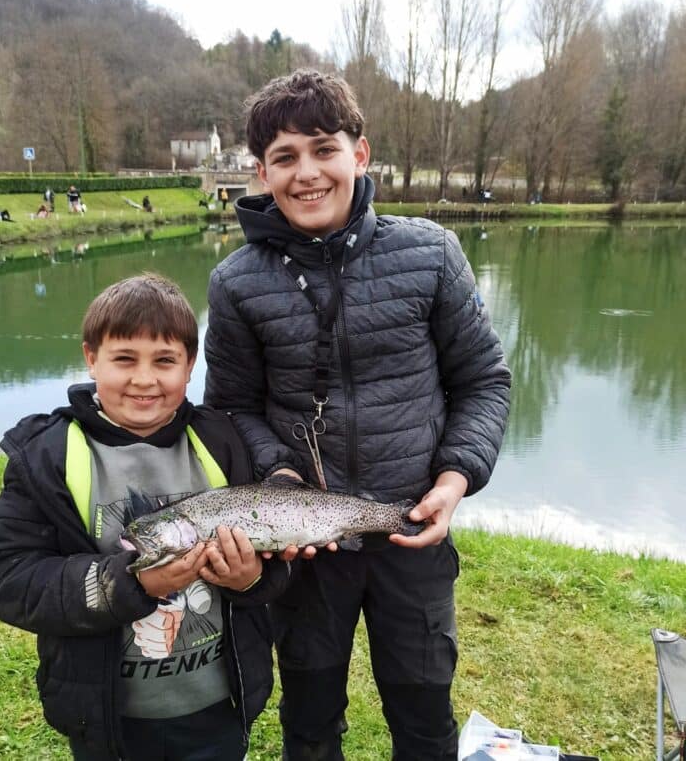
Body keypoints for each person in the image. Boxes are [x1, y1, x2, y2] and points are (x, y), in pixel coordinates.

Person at [204, 69, 511, 760]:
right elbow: (230, 408)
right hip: (304, 550)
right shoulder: (235, 283)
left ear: (360, 155)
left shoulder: (432, 253)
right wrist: (277, 472)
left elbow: (484, 381)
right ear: (261, 172)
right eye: (284, 158)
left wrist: (456, 477)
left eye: (323, 149)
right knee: (310, 720)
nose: (306, 172)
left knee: (425, 715)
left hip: (413, 535)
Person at [0, 273, 289, 760]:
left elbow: (272, 566)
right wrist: (129, 585)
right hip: (106, 720)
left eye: (165, 361)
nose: (144, 379)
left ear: (190, 366)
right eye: (124, 359)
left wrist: (251, 578)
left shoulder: (224, 443)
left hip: (218, 710)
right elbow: (6, 579)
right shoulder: (48, 455)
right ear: (90, 358)